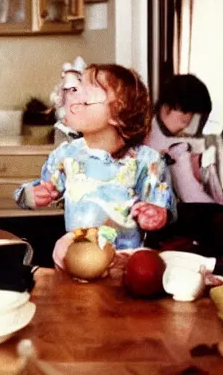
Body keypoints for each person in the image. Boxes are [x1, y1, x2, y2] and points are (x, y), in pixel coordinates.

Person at [15, 64, 175, 256]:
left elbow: (166, 205)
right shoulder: (65, 156)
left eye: (86, 93)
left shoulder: (145, 161)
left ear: (119, 115)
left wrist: (157, 213)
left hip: (125, 262)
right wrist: (31, 195)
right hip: (79, 259)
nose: (73, 96)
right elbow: (29, 194)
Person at [145, 74, 223, 281]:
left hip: (190, 208)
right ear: (169, 106)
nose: (186, 128)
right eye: (184, 120)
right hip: (155, 210)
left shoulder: (189, 141)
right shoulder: (144, 132)